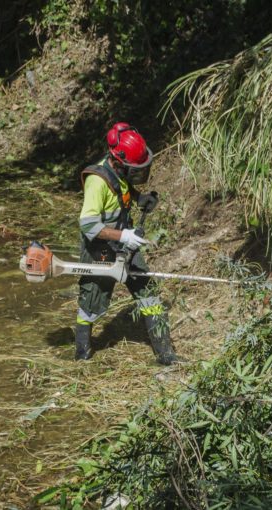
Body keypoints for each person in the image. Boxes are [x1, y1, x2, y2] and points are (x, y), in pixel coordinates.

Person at [75, 122, 182, 365]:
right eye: (134, 167)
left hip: (127, 246)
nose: (138, 172)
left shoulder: (118, 172)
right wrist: (123, 236)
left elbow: (123, 189)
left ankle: (166, 355)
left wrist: (139, 198)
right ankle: (82, 354)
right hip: (100, 250)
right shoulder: (97, 181)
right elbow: (88, 225)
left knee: (149, 294)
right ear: (118, 161)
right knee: (91, 301)